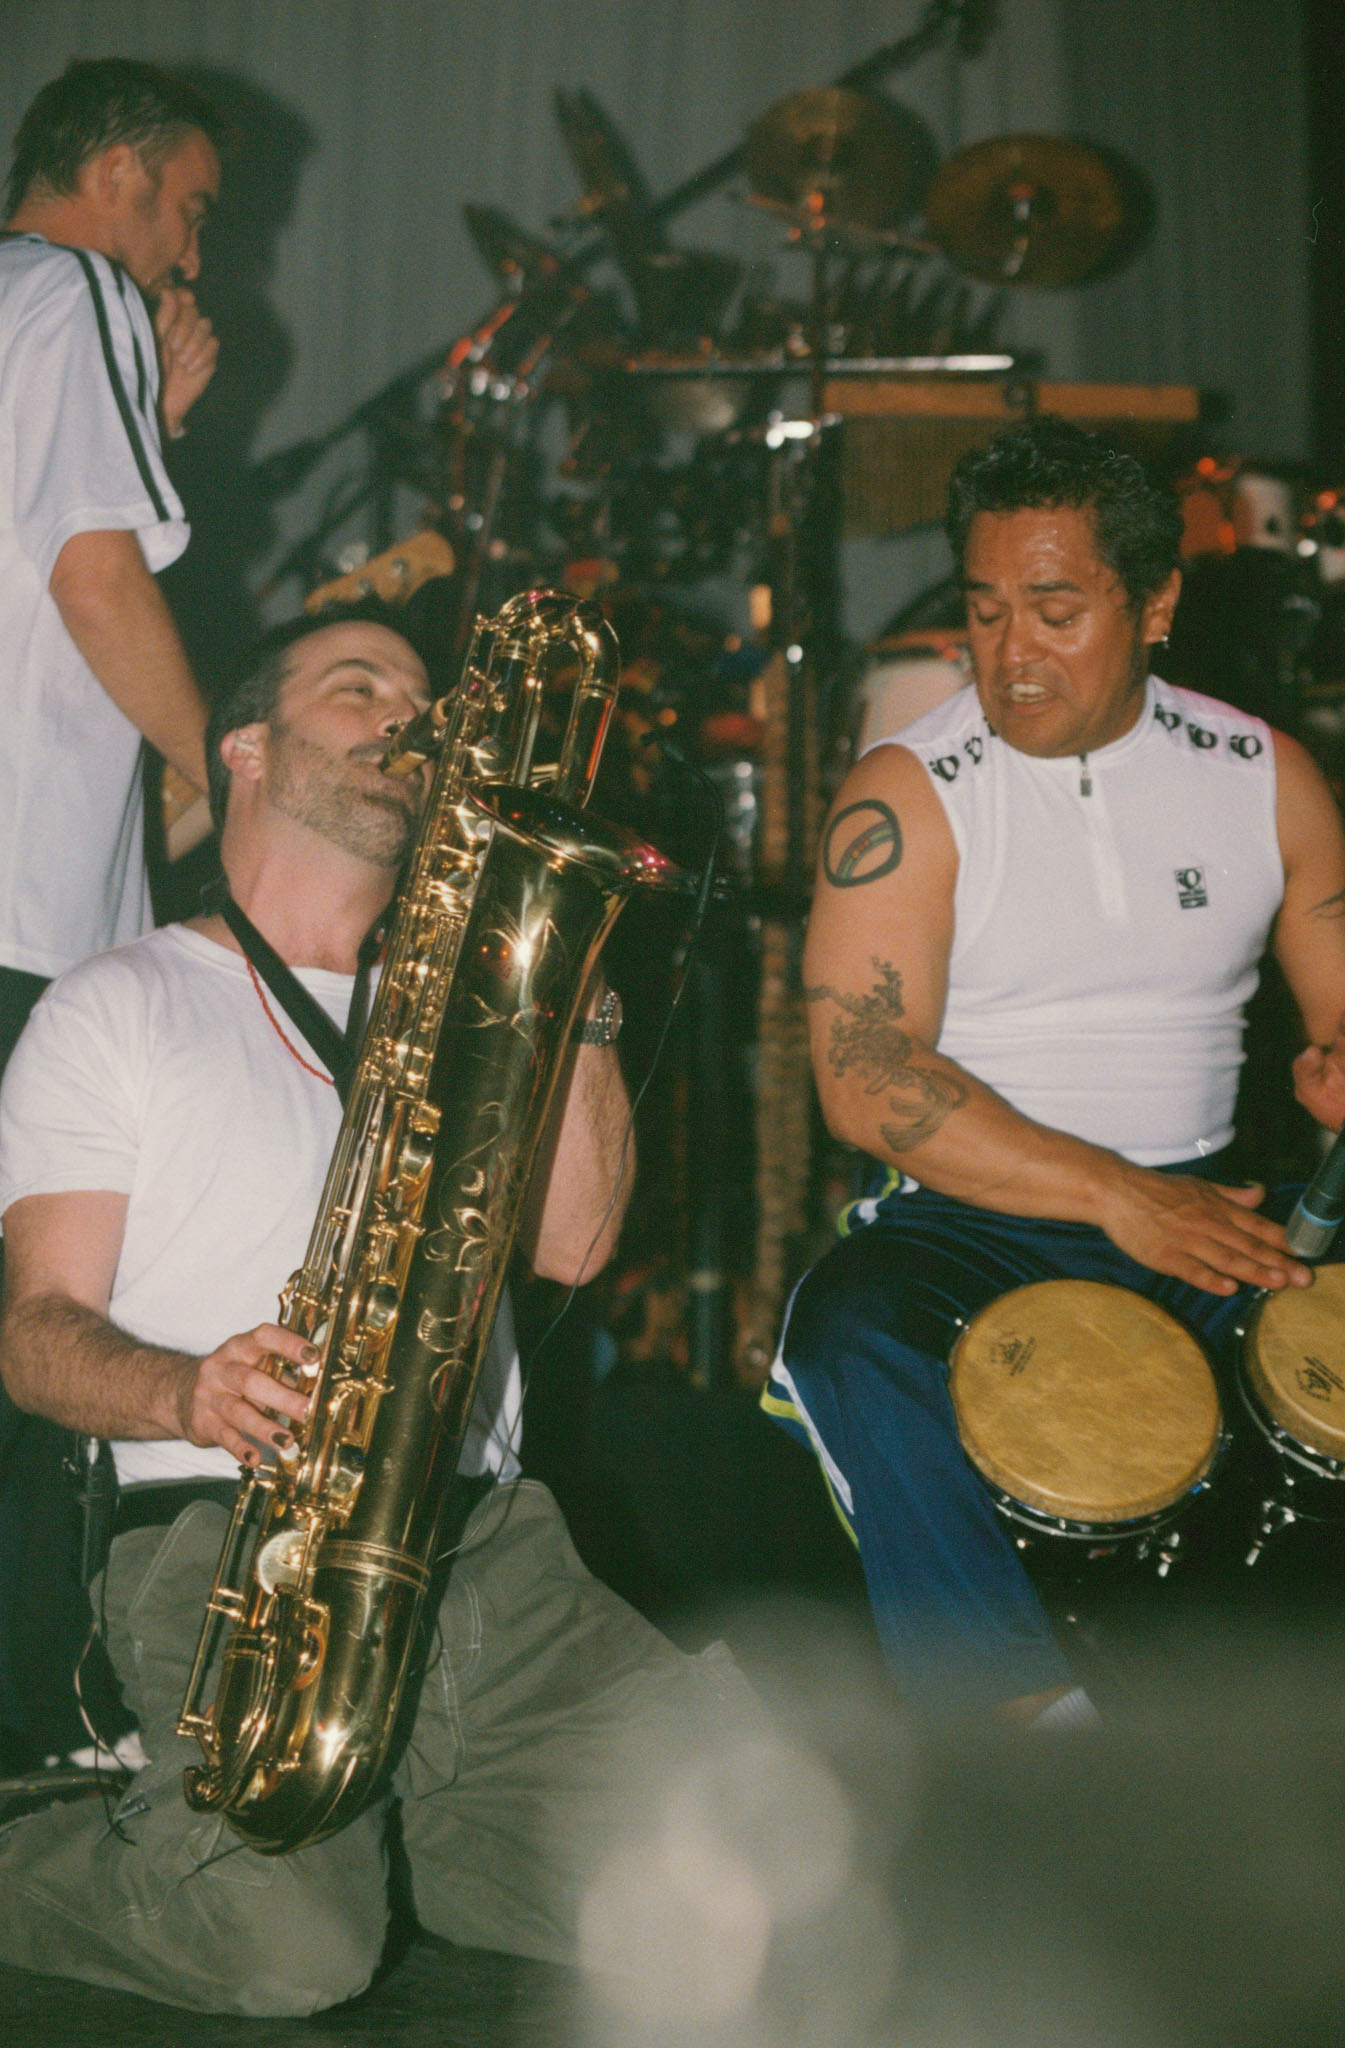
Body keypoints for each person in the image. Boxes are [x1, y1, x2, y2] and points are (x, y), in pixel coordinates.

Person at [0, 603, 758, 2016]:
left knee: (792, 1881)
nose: (408, 723)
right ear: (243, 747)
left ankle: (424, 1842)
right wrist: (187, 1390)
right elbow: (34, 1335)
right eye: (358, 688)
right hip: (238, 1547)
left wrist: (570, 984)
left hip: (489, 1552)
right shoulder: (116, 1005)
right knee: (290, 1955)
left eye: (425, 702)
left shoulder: (487, 1007)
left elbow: (578, 1244)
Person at [762, 417, 1345, 1724]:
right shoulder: (907, 795)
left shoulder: (1264, 777)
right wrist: (1114, 1195)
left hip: (1213, 1206)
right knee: (847, 1337)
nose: (1011, 654)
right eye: (984, 611)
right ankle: (1026, 1741)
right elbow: (865, 1080)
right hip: (977, 1217)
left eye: (1055, 612)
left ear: (1155, 606)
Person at [0, 57, 222, 1769]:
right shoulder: (69, 285)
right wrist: (217, 758)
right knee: (47, 1329)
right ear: (124, 174)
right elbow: (88, 572)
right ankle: (42, 1723)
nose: (194, 252)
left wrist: (160, 422)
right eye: (193, 208)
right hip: (18, 913)